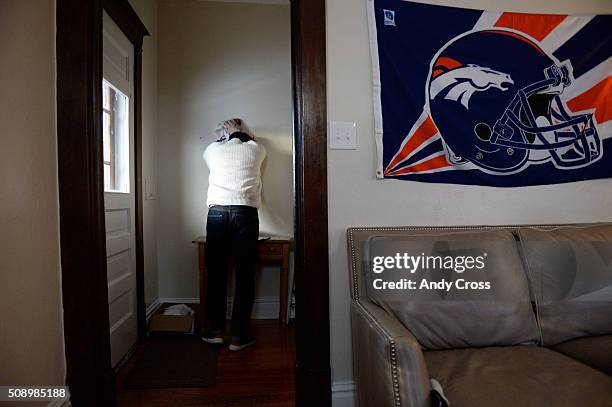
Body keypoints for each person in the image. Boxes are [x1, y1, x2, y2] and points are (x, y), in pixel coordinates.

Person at [201, 118, 266, 351]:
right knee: (245, 275)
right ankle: (239, 337)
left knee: (216, 274)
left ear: (225, 136)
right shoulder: (257, 149)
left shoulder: (211, 150)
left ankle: (215, 332)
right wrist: (241, 134)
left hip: (216, 213)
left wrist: (229, 134)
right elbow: (252, 143)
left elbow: (217, 145)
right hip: (245, 213)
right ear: (244, 135)